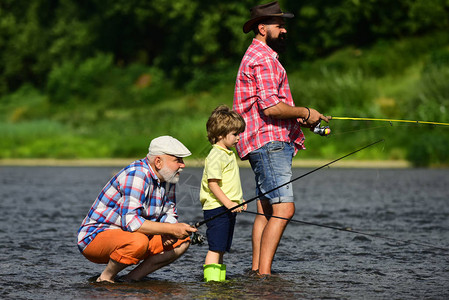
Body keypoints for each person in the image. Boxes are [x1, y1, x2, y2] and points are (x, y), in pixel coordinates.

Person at [233, 1, 331, 276]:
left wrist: (302, 118)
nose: (284, 30)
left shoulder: (259, 55)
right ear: (262, 28)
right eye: (280, 25)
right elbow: (270, 108)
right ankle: (264, 277)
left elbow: (272, 105)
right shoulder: (263, 59)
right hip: (268, 143)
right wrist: (305, 111)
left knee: (266, 209)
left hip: (264, 141)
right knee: (284, 209)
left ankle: (256, 271)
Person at [77, 136, 197, 283]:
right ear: (158, 162)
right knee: (138, 242)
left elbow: (169, 212)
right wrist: (169, 229)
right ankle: (105, 278)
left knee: (182, 239)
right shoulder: (137, 174)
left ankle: (131, 279)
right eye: (178, 160)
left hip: (132, 235)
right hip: (95, 237)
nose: (183, 165)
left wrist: (170, 230)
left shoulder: (168, 177)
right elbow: (131, 222)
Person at [199, 105, 247, 281]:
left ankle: (219, 281)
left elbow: (229, 184)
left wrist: (238, 200)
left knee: (222, 247)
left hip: (227, 207)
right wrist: (228, 203)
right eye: (235, 134)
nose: (238, 138)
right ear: (220, 135)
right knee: (215, 247)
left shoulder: (227, 154)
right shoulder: (216, 155)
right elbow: (213, 185)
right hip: (217, 208)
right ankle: (211, 283)